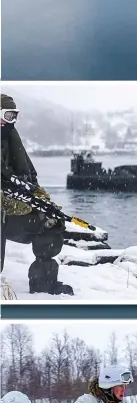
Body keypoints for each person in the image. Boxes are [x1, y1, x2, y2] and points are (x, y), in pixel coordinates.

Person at [1, 94, 73, 296]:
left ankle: (44, 286)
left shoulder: (11, 140)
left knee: (50, 221)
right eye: (7, 115)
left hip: (11, 210)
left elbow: (30, 179)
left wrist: (42, 201)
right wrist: (13, 203)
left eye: (14, 116)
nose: (11, 121)